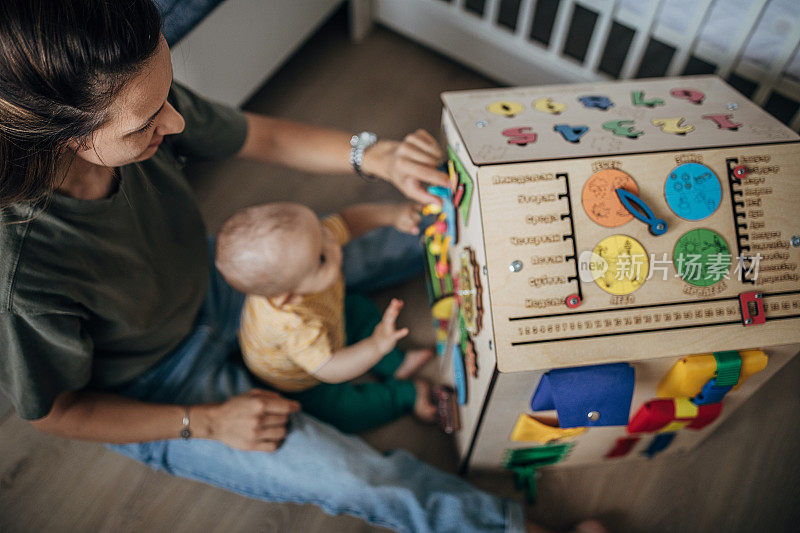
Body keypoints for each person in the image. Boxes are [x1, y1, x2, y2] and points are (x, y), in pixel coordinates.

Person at [0, 2, 607, 532]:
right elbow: (58, 414)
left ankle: (548, 233)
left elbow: (259, 137)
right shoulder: (24, 275)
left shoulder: (140, 99)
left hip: (217, 282)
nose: (177, 123)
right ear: (63, 137)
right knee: (358, 480)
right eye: (148, 124)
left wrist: (377, 155)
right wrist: (205, 422)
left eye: (168, 96)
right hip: (160, 384)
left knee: (412, 220)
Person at [215, 201, 437, 433]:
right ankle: (406, 395)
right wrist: (376, 346)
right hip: (305, 378)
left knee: (359, 309)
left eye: (321, 229)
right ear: (290, 298)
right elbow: (330, 367)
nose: (334, 243)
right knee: (347, 412)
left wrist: (393, 213)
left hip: (333, 318)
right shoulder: (292, 325)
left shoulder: (312, 242)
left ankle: (396, 364)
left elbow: (347, 222)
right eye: (322, 259)